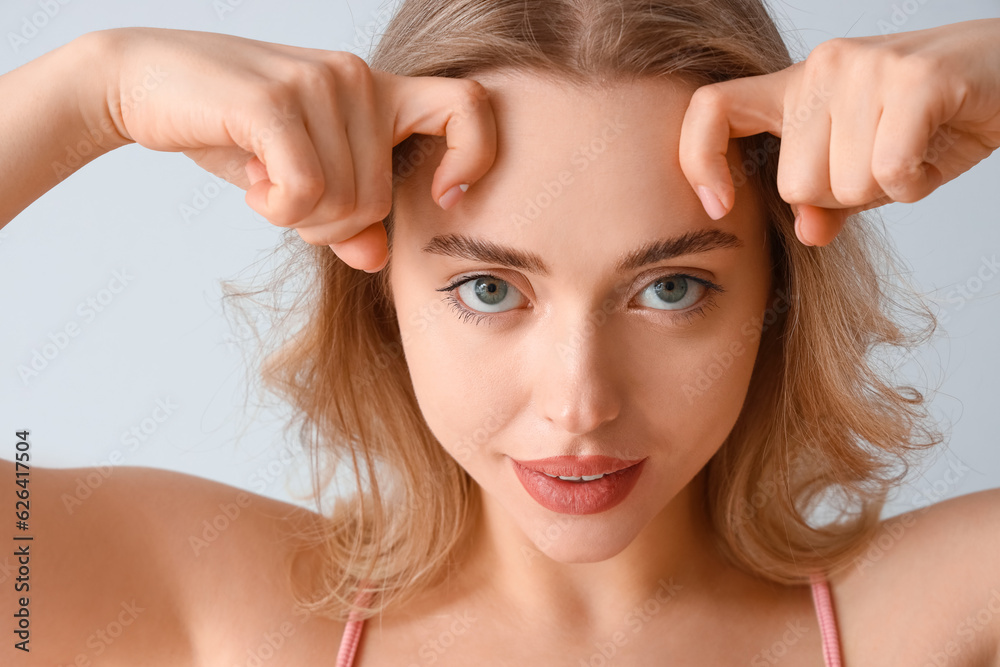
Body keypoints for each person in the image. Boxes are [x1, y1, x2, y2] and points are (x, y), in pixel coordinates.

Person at [2, 1, 999, 665]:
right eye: (488, 287)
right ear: (378, 293)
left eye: (671, 287)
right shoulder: (217, 609)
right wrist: (93, 89)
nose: (580, 400)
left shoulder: (937, 616)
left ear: (777, 294)